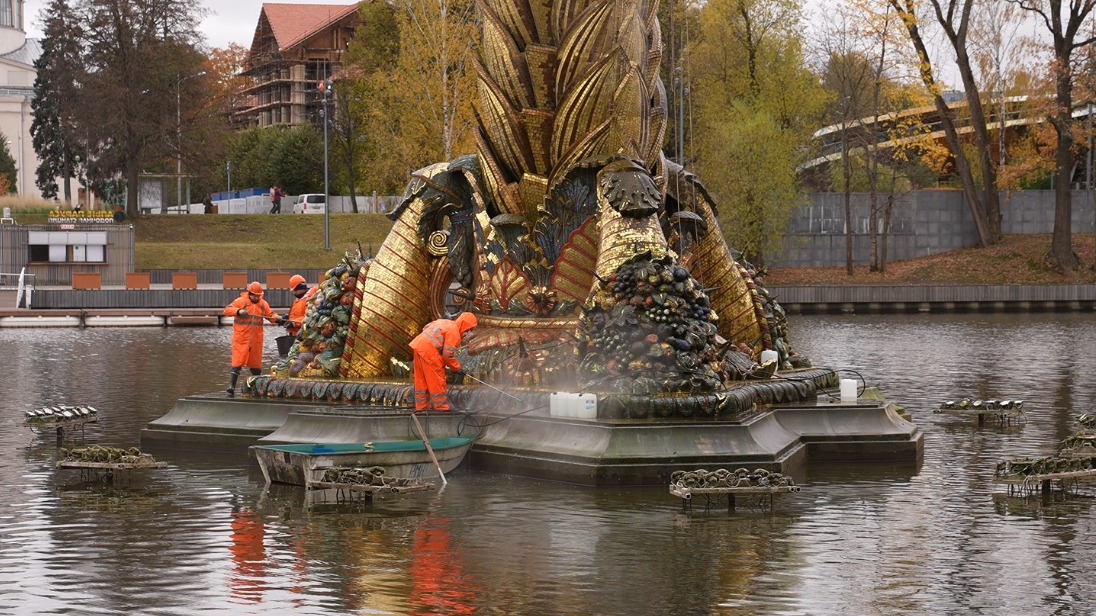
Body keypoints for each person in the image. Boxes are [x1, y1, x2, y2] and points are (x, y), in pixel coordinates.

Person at [223, 281, 286, 396]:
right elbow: (227, 310)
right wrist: (238, 311)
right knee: (237, 363)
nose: (257, 297)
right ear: (250, 293)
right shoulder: (240, 301)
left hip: (256, 339)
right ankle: (231, 386)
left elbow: (270, 315)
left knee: (256, 365)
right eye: (255, 295)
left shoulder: (263, 304)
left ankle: (259, 387)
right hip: (241, 338)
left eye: (258, 295)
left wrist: (279, 319)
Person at [409, 312, 477, 412]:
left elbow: (427, 327)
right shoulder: (455, 332)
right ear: (465, 326)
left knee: (421, 379)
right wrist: (457, 368)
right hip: (429, 351)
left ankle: (421, 407)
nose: (469, 333)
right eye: (469, 329)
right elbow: (447, 355)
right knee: (437, 378)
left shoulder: (447, 323)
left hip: (418, 347)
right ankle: (441, 407)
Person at [284, 274, 318, 338]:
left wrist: (294, 323)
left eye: (295, 290)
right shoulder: (298, 300)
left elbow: (309, 317)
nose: (294, 292)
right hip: (294, 335)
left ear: (300, 288)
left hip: (304, 336)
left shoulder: (310, 300)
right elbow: (297, 314)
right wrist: (287, 317)